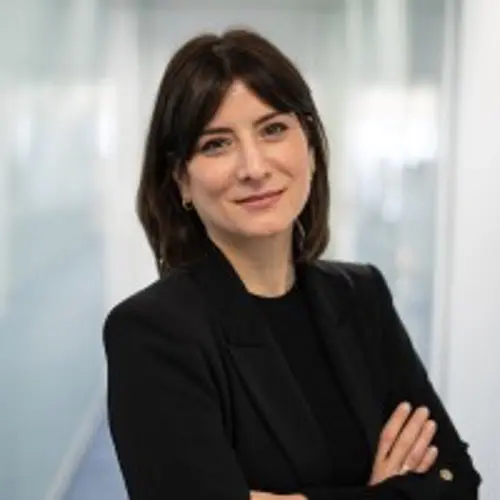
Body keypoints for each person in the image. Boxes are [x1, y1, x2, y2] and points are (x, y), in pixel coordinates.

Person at [103, 28, 481, 500]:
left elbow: (457, 482)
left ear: (311, 148)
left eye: (273, 129)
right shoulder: (152, 333)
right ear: (181, 179)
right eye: (216, 144)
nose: (254, 167)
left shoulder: (361, 295)